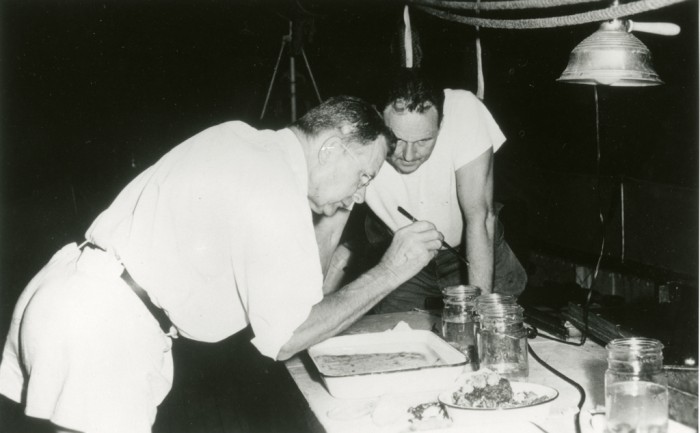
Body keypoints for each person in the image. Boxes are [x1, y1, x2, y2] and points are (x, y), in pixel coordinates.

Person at [0, 95, 443, 433]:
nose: (363, 192)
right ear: (330, 148)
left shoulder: (241, 139)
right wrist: (391, 271)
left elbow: (303, 292)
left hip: (69, 294)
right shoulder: (275, 191)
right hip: (105, 329)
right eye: (364, 175)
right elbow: (287, 338)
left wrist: (339, 203)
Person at [325, 69, 527, 312]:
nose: (408, 156)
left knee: (497, 339)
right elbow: (328, 234)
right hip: (406, 261)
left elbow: (480, 219)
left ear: (441, 123)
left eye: (423, 141)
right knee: (397, 340)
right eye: (396, 140)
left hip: (475, 256)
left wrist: (480, 314)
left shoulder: (464, 111)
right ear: (378, 119)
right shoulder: (353, 136)